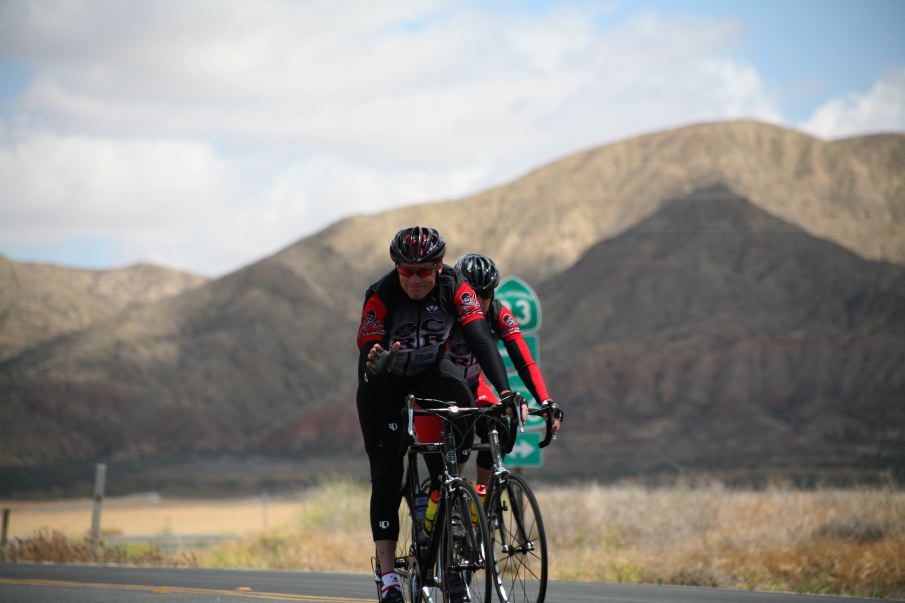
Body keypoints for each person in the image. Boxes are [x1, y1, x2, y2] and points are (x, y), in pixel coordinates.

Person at [356, 226, 516, 603]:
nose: (414, 278)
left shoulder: (454, 287)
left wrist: (506, 392)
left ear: (439, 266)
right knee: (387, 474)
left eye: (423, 270)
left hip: (429, 375)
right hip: (384, 385)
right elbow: (368, 350)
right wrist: (376, 361)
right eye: (406, 270)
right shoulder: (380, 294)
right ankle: (389, 574)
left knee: (462, 402)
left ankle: (444, 499)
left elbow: (479, 335)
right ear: (396, 268)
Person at [446, 253, 564, 490]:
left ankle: (481, 498)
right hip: (442, 386)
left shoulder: (499, 313)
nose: (478, 301)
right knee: (461, 430)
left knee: (496, 425)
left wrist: (546, 400)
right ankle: (452, 493)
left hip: (473, 382)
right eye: (472, 293)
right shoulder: (445, 312)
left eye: (486, 294)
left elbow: (525, 363)